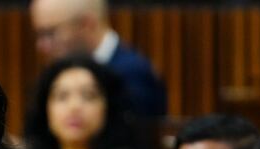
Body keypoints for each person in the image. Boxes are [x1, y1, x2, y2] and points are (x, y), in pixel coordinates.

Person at [24, 55, 155, 149]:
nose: (75, 106)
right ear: (45, 109)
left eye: (88, 96)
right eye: (62, 96)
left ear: (108, 107)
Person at [29, 0, 167, 118]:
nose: (41, 46)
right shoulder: (56, 73)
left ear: (87, 25)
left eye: (49, 33)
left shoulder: (133, 74)